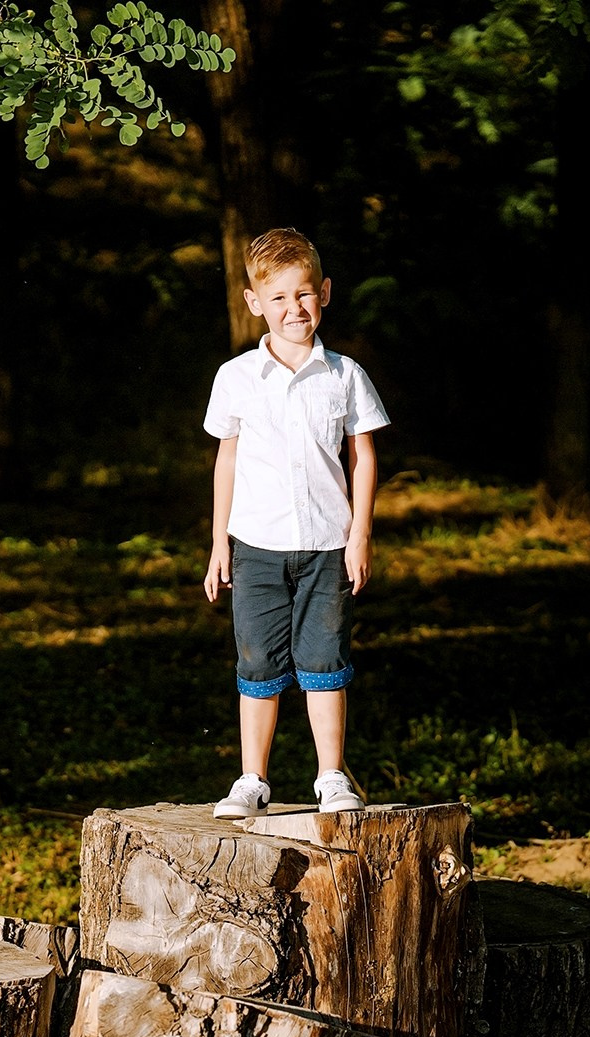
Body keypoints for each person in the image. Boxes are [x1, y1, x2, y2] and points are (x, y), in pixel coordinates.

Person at [201, 228, 389, 817]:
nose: (294, 308)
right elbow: (227, 459)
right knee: (257, 661)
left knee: (324, 661)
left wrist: (359, 535)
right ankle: (252, 779)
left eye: (304, 294)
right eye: (278, 297)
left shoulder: (345, 375)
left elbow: (362, 456)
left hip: (327, 545)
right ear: (254, 302)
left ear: (324, 292)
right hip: (256, 547)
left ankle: (331, 777)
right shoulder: (236, 377)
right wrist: (219, 542)